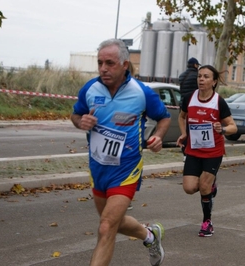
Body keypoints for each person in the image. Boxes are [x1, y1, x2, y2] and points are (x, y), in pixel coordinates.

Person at [71, 38, 171, 266]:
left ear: (125, 64)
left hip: (126, 170)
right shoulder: (90, 89)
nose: (103, 68)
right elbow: (75, 115)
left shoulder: (141, 93)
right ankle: (150, 235)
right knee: (114, 223)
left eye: (110, 63)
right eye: (100, 63)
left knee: (106, 226)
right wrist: (81, 122)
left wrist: (158, 137)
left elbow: (164, 117)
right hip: (98, 169)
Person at [176, 65, 238, 237]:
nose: (201, 79)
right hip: (194, 150)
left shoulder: (218, 101)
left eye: (205, 77)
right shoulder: (190, 98)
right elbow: (181, 116)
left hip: (213, 151)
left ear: (214, 81)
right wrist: (184, 133)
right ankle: (211, 186)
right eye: (199, 76)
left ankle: (207, 222)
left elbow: (233, 127)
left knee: (203, 186)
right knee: (189, 188)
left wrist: (222, 129)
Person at [178, 57, 201, 161]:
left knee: (185, 129)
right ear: (195, 65)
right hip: (194, 105)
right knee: (195, 129)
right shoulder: (197, 76)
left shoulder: (182, 76)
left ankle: (185, 152)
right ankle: (194, 150)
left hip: (183, 104)